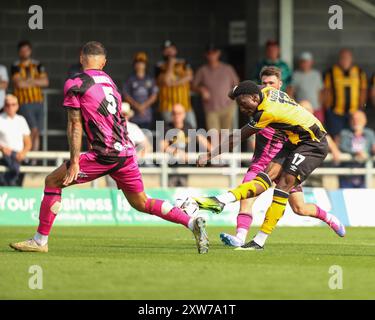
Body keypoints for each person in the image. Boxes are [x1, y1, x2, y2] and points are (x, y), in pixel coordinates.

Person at [9, 41, 209, 254]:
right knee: (142, 202)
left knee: (52, 180)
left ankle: (40, 241)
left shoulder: (76, 82)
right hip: (125, 152)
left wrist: (75, 161)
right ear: (103, 63)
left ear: (81, 57)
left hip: (103, 154)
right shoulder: (110, 83)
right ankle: (190, 222)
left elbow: (74, 124)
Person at [193, 80, 346, 251]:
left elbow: (235, 138)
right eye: (240, 106)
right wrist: (234, 92)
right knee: (263, 179)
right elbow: (243, 89)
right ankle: (219, 201)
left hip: (313, 144)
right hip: (294, 141)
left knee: (283, 188)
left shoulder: (267, 112)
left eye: (245, 105)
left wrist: (209, 155)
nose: (244, 110)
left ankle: (258, 241)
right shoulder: (265, 91)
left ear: (254, 97)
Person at [11, 41, 49, 151]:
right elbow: (19, 84)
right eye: (22, 51)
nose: (24, 52)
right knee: (32, 129)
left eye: (26, 50)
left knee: (37, 132)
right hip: (24, 102)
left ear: (30, 50)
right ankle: (26, 155)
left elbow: (45, 82)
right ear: (19, 52)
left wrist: (28, 81)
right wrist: (36, 81)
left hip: (38, 101)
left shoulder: (37, 65)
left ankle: (33, 160)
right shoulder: (16, 66)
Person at [161, 103, 210, 187]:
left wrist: (213, 151)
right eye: (174, 113)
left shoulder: (188, 126)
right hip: (171, 168)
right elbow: (162, 146)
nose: (177, 116)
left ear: (184, 114)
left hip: (186, 167)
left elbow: (200, 137)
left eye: (179, 113)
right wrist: (176, 152)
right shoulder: (167, 128)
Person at [323, 48, 367, 141]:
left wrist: (362, 107)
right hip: (336, 112)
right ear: (339, 59)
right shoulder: (331, 72)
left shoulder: (359, 72)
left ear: (352, 59)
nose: (345, 60)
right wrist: (327, 106)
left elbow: (363, 90)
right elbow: (327, 90)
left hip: (354, 112)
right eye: (343, 58)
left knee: (354, 136)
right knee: (336, 136)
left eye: (347, 58)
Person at [193, 44, 239, 132]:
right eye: (209, 53)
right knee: (213, 135)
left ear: (218, 53)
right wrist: (201, 89)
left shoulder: (228, 69)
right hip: (211, 108)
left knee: (226, 135)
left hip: (228, 107)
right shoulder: (202, 70)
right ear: (206, 55)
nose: (211, 56)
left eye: (214, 53)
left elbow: (237, 85)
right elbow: (193, 86)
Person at [156, 40, 196, 128]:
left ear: (175, 50)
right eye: (166, 49)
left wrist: (173, 83)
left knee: (192, 128)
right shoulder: (159, 65)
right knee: (171, 131)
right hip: (168, 106)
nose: (169, 51)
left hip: (185, 104)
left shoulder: (183, 62)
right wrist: (171, 64)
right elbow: (165, 80)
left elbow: (189, 77)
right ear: (163, 52)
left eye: (171, 49)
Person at [0, 95, 31, 186]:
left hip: (19, 157)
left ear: (17, 106)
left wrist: (23, 153)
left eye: (13, 104)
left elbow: (28, 142)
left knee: (17, 184)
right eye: (8, 105)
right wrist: (2, 148)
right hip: (4, 158)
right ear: (4, 106)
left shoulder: (21, 120)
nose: (10, 107)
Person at [338, 110, 375, 188]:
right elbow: (342, 147)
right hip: (347, 173)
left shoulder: (370, 133)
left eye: (359, 119)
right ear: (351, 121)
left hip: (364, 173)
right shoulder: (345, 133)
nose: (356, 121)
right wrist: (356, 152)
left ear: (365, 121)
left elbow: (373, 147)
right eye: (354, 119)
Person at [123, 52, 158, 130]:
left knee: (146, 135)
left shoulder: (150, 79)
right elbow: (126, 95)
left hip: (146, 115)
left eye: (142, 63)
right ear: (134, 65)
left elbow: (154, 96)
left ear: (146, 65)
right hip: (133, 115)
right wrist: (137, 106)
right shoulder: (130, 79)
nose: (139, 65)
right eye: (137, 63)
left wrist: (143, 106)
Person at [288, 52, 324, 122]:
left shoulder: (316, 74)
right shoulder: (296, 75)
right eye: (303, 62)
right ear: (300, 63)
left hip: (316, 108)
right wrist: (294, 106)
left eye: (307, 62)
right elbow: (290, 91)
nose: (305, 64)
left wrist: (320, 105)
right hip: (302, 109)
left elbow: (320, 91)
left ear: (311, 62)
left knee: (319, 130)